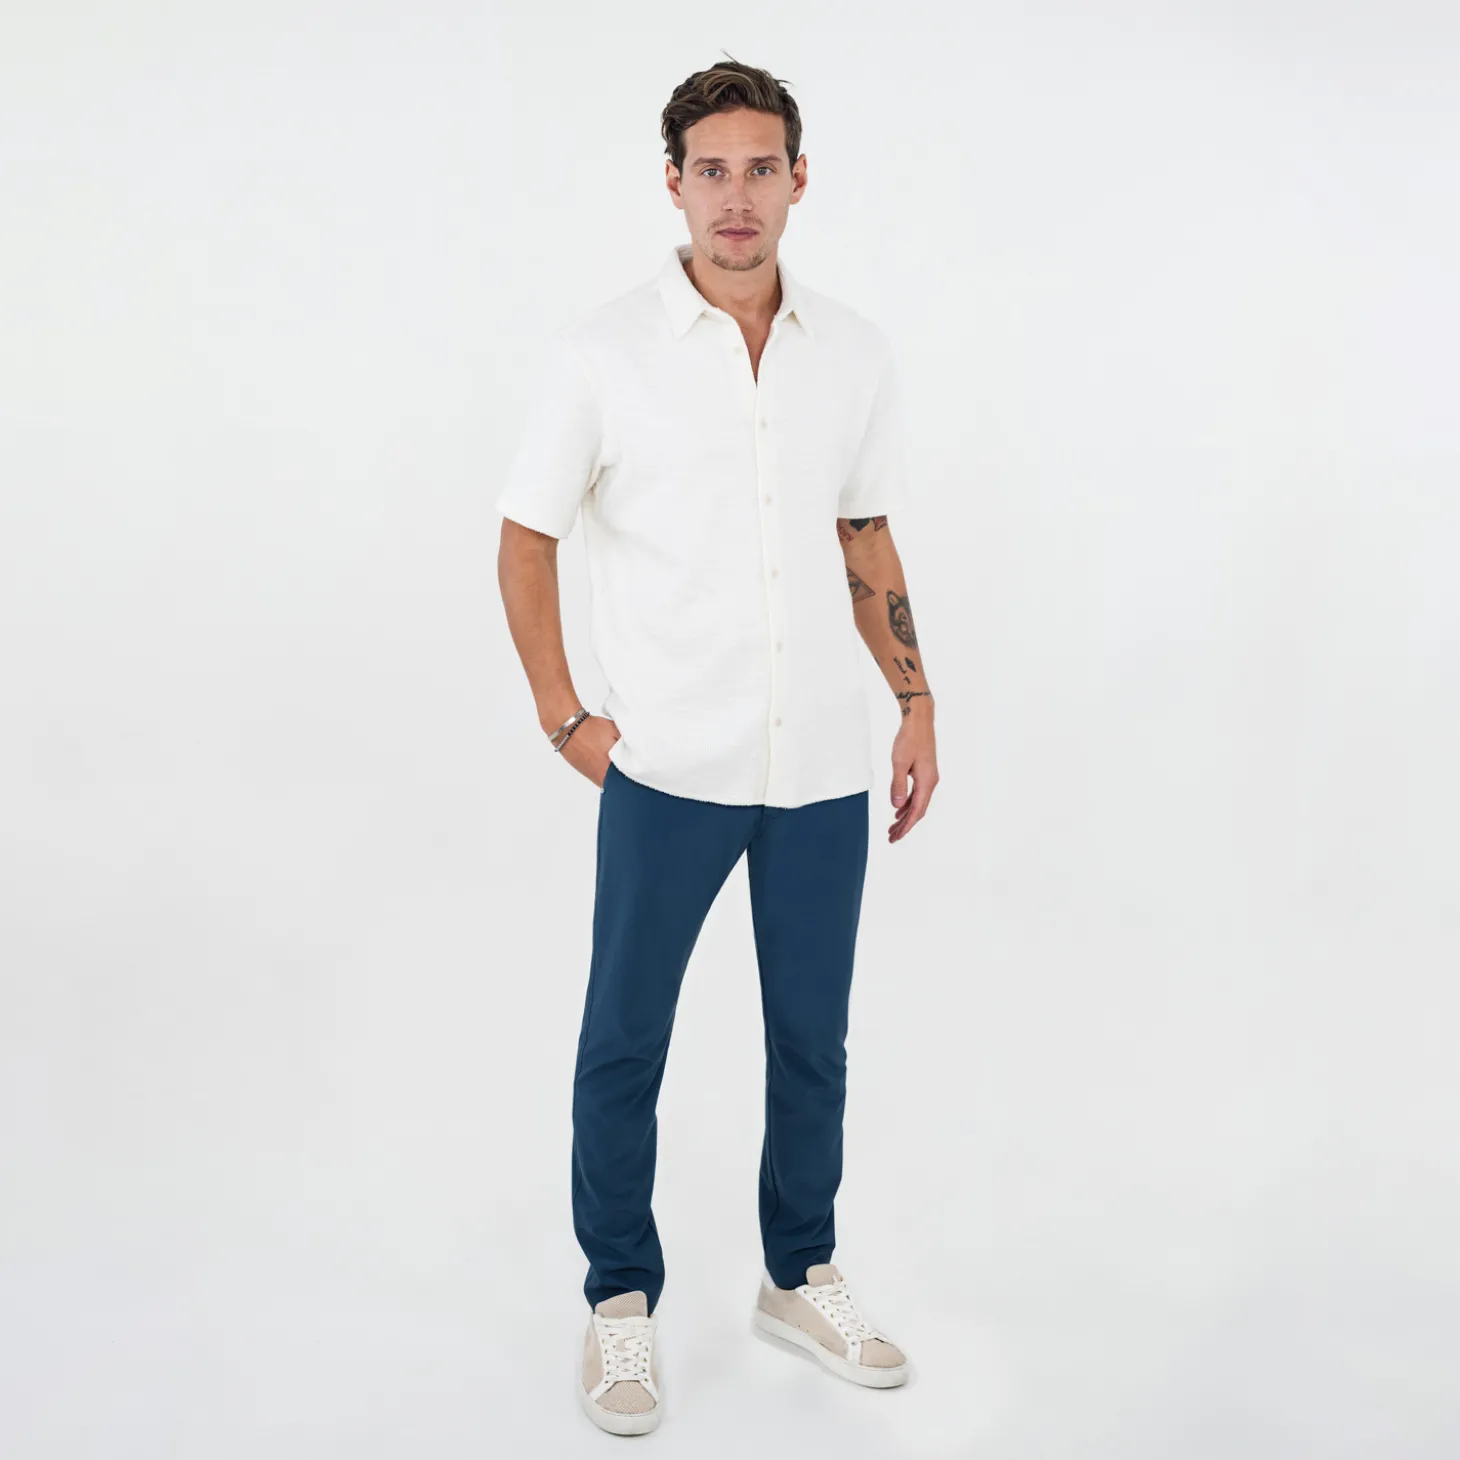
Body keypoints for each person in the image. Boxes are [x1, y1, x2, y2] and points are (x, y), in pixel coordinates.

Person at [494, 59, 939, 1436]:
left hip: (820, 766)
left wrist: (916, 699)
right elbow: (526, 539)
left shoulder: (852, 353)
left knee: (813, 1043)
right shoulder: (603, 354)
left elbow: (863, 535)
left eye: (759, 168)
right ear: (674, 184)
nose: (734, 197)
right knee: (625, 1040)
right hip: (669, 767)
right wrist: (566, 717)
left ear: (799, 179)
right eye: (710, 170)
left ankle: (797, 1274)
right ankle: (620, 1299)